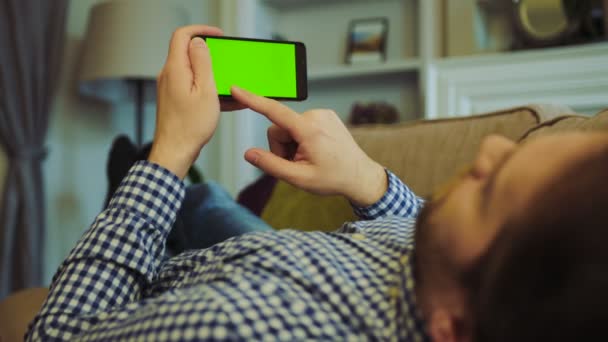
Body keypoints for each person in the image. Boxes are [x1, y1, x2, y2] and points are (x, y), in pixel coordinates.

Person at [27, 25, 608, 341]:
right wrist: (367, 179)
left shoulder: (234, 325)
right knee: (212, 205)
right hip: (278, 249)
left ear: (451, 327)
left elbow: (56, 331)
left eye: (490, 190)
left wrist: (169, 154)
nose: (493, 147)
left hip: (214, 277)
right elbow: (423, 221)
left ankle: (141, 184)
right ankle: (185, 198)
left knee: (191, 199)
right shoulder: (464, 277)